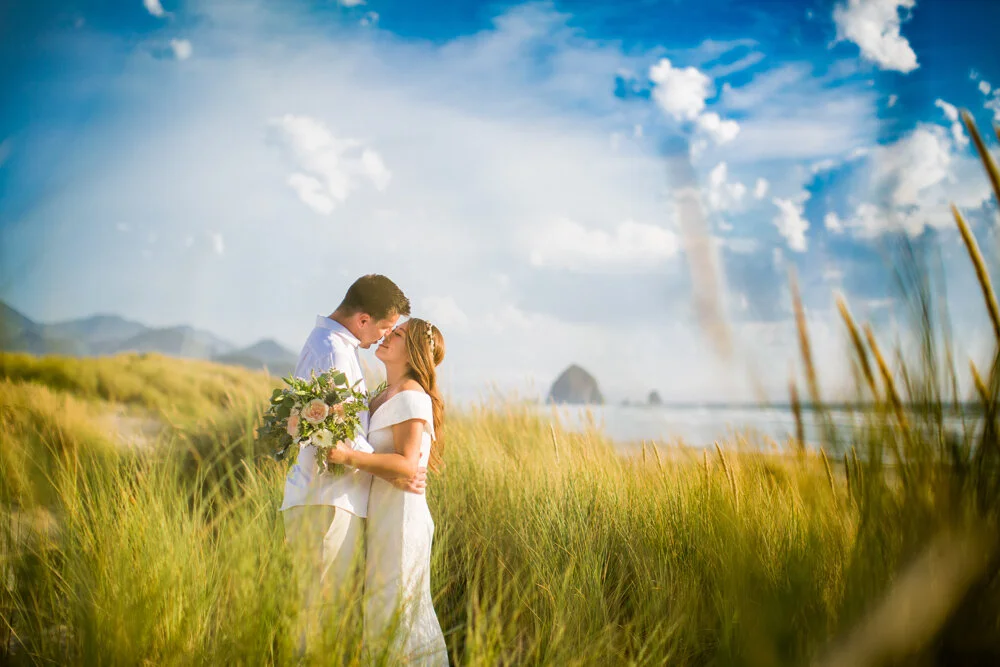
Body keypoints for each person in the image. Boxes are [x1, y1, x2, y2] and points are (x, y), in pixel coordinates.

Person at [278, 274, 424, 652]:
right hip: (328, 499)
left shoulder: (330, 344)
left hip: (326, 498)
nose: (382, 337)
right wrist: (396, 470)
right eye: (385, 328)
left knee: (320, 618)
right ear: (363, 320)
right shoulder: (335, 353)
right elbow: (338, 440)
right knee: (321, 622)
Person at [327, 318, 449, 665]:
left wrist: (349, 456)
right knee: (380, 608)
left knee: (398, 607)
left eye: (396, 335)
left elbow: (409, 466)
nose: (386, 336)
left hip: (401, 519)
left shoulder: (413, 396)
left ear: (413, 352)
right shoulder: (383, 393)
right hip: (381, 512)